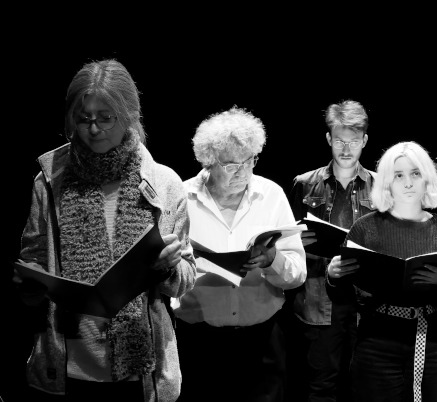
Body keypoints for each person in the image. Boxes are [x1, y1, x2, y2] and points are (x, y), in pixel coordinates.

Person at [12, 59, 196, 402]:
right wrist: (31, 283)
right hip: (68, 369)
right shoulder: (50, 180)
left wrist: (167, 268)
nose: (93, 129)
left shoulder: (165, 183)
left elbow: (186, 275)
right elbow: (32, 260)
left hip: (140, 374)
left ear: (129, 115)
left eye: (105, 117)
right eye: (83, 119)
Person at [172, 106, 307, 402]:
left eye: (250, 161)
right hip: (200, 342)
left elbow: (297, 275)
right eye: (231, 165)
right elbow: (164, 274)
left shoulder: (271, 195)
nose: (243, 172)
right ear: (209, 161)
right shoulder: (182, 197)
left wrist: (272, 260)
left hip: (262, 340)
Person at [326, 141, 437, 402]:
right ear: (387, 182)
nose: (408, 183)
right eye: (398, 175)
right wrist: (333, 276)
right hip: (376, 345)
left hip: (431, 344)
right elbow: (344, 300)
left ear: (427, 178)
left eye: (415, 173)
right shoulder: (364, 229)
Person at [284, 100, 376, 402]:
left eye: (353, 141)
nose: (346, 149)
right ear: (328, 139)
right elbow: (287, 242)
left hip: (366, 301)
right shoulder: (304, 184)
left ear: (364, 140)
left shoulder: (381, 186)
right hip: (317, 299)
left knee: (364, 386)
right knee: (320, 386)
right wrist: (299, 246)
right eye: (339, 141)